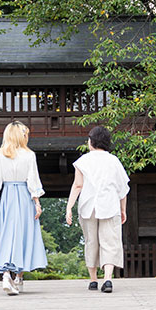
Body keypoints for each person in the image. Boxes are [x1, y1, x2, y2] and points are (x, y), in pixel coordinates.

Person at [0, 121, 47, 295]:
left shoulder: (1, 154)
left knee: (8, 234)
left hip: (8, 197)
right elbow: (33, 180)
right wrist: (37, 203)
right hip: (24, 196)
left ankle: (7, 275)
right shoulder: (29, 155)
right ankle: (17, 277)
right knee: (24, 235)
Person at [65, 126, 130, 293]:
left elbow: (78, 185)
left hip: (88, 206)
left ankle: (93, 279)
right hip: (109, 204)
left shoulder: (83, 161)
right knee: (110, 241)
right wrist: (123, 209)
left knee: (91, 242)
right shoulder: (114, 161)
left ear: (92, 142)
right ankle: (107, 279)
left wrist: (69, 206)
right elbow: (122, 188)